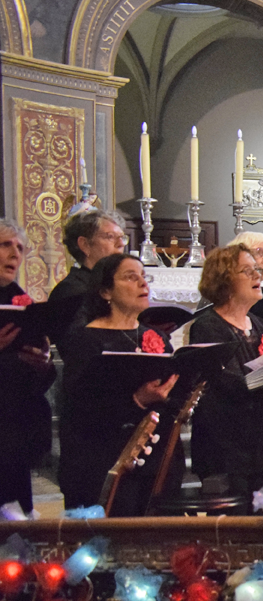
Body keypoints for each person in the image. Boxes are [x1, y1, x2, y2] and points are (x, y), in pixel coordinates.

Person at [57, 254, 180, 515]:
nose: (142, 283)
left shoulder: (155, 336)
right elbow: (78, 408)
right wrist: (137, 400)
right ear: (105, 291)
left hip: (153, 457)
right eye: (130, 277)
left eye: (144, 277)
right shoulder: (85, 339)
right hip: (101, 459)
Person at [188, 244, 263, 498]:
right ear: (224, 280)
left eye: (257, 270)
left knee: (260, 517)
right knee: (233, 524)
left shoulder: (258, 324)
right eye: (246, 271)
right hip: (225, 442)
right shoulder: (208, 326)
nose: (257, 276)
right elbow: (230, 384)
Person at [0, 219, 56, 514]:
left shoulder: (22, 304)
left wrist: (43, 364)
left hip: (16, 425)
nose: (15, 254)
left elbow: (36, 379)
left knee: (20, 517)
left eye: (20, 248)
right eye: (5, 245)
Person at [50, 207, 127, 307]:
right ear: (85, 245)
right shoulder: (71, 291)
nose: (121, 244)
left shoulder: (109, 284)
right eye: (110, 236)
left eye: (122, 237)